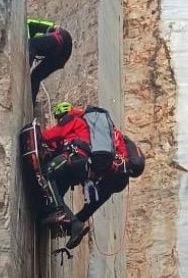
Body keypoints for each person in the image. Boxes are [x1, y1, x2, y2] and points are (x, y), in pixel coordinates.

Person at [22, 104, 145, 249]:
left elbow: (49, 136)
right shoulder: (98, 133)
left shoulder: (72, 119)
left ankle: (65, 217)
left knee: (47, 173)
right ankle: (60, 218)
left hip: (74, 158)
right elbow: (96, 202)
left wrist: (36, 137)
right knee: (59, 184)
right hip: (84, 170)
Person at [28, 18, 73, 102]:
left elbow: (32, 45)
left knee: (32, 44)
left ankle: (24, 70)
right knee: (35, 77)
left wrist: (25, 69)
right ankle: (31, 105)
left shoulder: (29, 26)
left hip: (61, 38)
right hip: (61, 57)